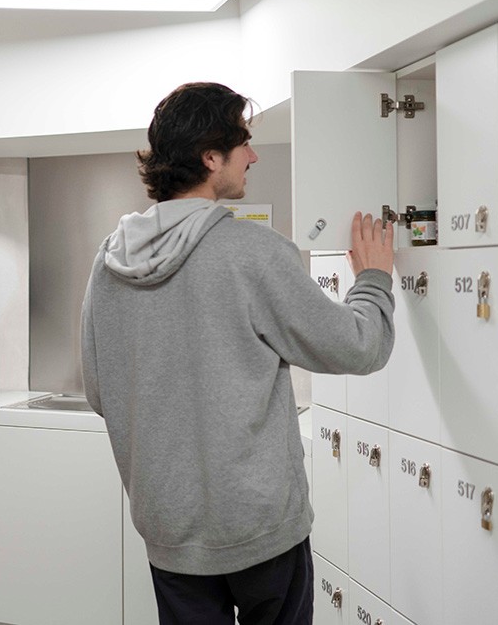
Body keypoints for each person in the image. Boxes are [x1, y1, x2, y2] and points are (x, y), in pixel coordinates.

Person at [80, 82, 394, 625]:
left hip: (170, 531)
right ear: (210, 157)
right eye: (243, 142)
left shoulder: (108, 263)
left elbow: (99, 392)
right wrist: (372, 279)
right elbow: (360, 346)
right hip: (260, 531)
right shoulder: (252, 253)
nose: (252, 155)